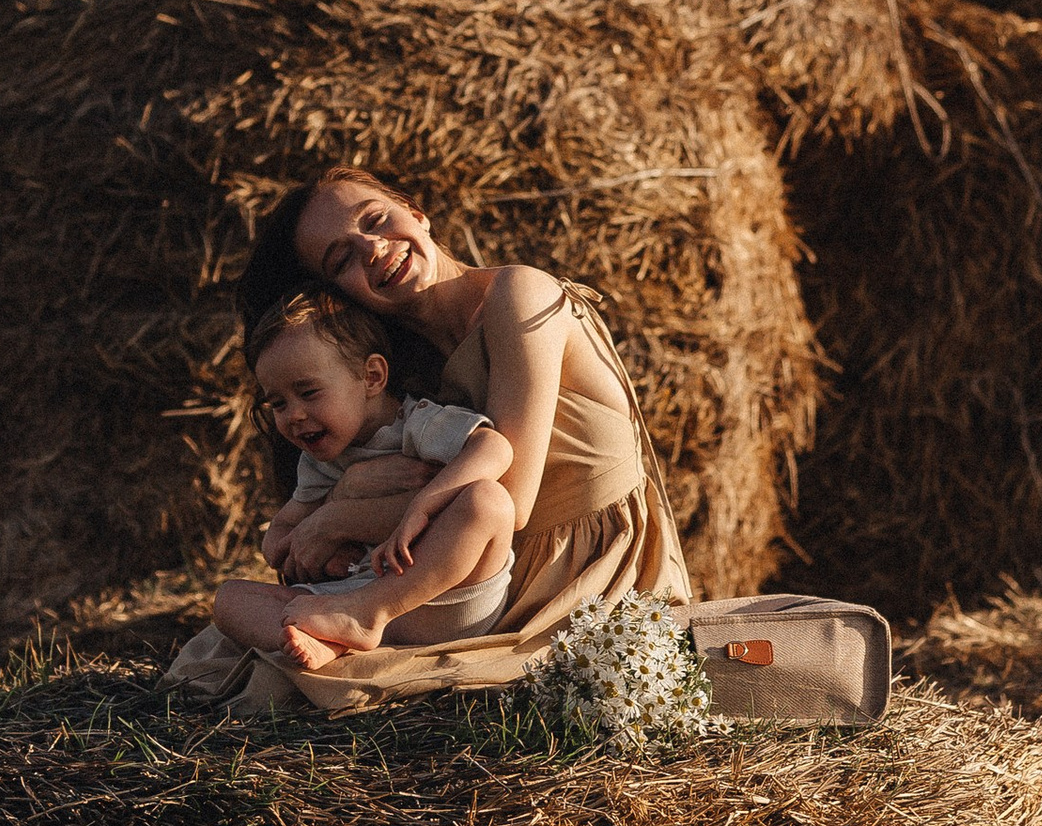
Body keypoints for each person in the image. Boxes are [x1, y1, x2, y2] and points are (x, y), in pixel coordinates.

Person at [183, 164, 689, 712]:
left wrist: (334, 518)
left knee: (306, 683)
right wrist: (343, 501)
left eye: (376, 220)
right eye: (343, 259)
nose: (372, 249)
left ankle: (363, 621)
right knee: (244, 624)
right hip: (463, 572)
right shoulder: (399, 373)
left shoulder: (520, 293)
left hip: (577, 572)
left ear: (418, 213)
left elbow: (512, 501)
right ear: (340, 294)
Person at [208, 288, 516, 669]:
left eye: (308, 392)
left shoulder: (416, 424)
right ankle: (329, 638)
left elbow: (496, 448)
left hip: (439, 601)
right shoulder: (318, 461)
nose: (294, 415)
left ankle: (366, 616)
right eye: (278, 403)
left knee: (489, 502)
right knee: (229, 600)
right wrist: (308, 531)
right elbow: (279, 542)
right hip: (348, 596)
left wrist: (425, 503)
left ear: (371, 377)